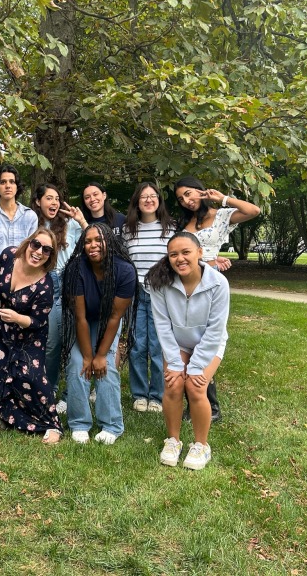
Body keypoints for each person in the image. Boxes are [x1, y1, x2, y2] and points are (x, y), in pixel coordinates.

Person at [174, 176, 259, 421]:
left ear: (201, 191)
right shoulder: (184, 223)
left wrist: (221, 198)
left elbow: (253, 210)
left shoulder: (221, 216)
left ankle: (211, 406)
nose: (187, 201)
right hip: (186, 284)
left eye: (189, 194)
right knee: (187, 340)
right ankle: (195, 404)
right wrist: (209, 261)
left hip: (211, 285)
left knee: (207, 340)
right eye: (181, 198)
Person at [147, 232, 230, 470]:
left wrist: (195, 367)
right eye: (174, 254)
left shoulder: (218, 283)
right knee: (173, 384)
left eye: (186, 252)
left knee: (195, 385)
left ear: (200, 253)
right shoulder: (160, 282)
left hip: (210, 342)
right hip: (178, 341)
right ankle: (173, 440)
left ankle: (201, 445)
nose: (180, 259)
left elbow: (215, 330)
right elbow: (162, 326)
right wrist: (175, 363)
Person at [0, 227, 62, 444]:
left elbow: (38, 321)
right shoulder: (8, 255)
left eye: (46, 250)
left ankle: (51, 423)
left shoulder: (45, 285)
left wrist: (16, 317)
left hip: (29, 333)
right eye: (36, 245)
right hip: (0, 326)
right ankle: (1, 416)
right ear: (28, 243)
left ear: (50, 256)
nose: (38, 252)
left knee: (31, 375)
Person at [61, 223, 138, 445]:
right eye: (87, 241)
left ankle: (112, 424)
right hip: (85, 321)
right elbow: (80, 318)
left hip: (108, 321)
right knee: (78, 363)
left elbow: (114, 317)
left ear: (109, 242)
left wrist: (100, 355)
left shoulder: (125, 270)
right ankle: (79, 423)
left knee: (106, 366)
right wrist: (87, 356)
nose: (92, 245)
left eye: (98, 240)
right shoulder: (76, 268)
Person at [29, 184, 86, 406]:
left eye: (57, 199)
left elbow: (97, 240)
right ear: (38, 202)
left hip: (71, 281)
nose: (54, 202)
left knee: (73, 341)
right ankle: (50, 390)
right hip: (46, 281)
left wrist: (81, 220)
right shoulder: (33, 225)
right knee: (51, 343)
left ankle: (70, 395)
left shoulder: (70, 224)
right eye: (49, 198)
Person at [122, 182, 175, 414]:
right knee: (136, 345)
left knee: (157, 346)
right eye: (143, 197)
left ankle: (157, 395)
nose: (148, 200)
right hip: (135, 294)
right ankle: (139, 394)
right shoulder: (127, 230)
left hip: (161, 294)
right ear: (137, 201)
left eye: (153, 196)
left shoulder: (170, 228)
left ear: (159, 200)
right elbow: (123, 261)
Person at [0, 165, 38, 258]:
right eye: (3, 182)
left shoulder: (30, 216)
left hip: (23, 270)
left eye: (12, 182)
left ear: (17, 186)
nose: (8, 186)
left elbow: (33, 250)